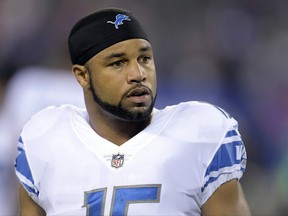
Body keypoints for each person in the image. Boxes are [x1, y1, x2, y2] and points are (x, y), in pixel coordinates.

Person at [15, 8, 251, 215]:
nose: (138, 74)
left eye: (145, 58)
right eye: (118, 63)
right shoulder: (45, 139)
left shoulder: (199, 132)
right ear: (82, 75)